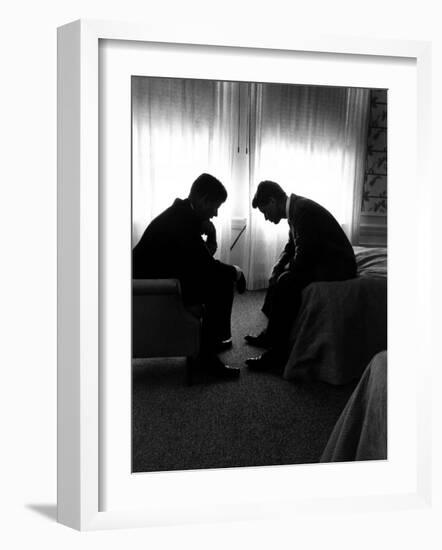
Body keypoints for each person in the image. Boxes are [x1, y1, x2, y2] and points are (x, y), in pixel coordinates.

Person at [133, 173, 246, 378]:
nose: (216, 214)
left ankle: (211, 343)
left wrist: (210, 236)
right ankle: (206, 361)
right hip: (152, 288)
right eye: (215, 207)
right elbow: (206, 266)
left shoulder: (183, 214)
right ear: (203, 201)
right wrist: (236, 272)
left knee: (218, 278)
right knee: (221, 282)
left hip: (162, 278)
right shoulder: (183, 222)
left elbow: (198, 260)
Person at [245, 180, 357, 372]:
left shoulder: (302, 211)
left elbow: (305, 255)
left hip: (338, 265)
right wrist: (278, 266)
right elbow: (292, 246)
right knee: (280, 275)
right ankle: (271, 335)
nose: (265, 218)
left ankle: (278, 356)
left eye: (264, 212)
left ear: (272, 201)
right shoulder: (296, 209)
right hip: (323, 257)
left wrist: (285, 272)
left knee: (286, 282)